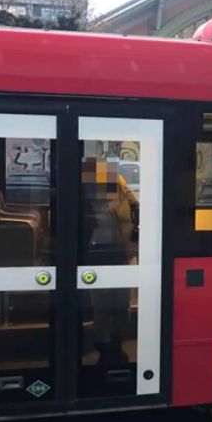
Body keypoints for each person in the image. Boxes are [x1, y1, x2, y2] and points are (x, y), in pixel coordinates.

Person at [81, 156, 139, 365]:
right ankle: (104, 346)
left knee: (121, 305)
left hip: (120, 253)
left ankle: (117, 343)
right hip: (97, 255)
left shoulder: (122, 192)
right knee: (102, 306)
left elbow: (136, 211)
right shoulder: (86, 198)